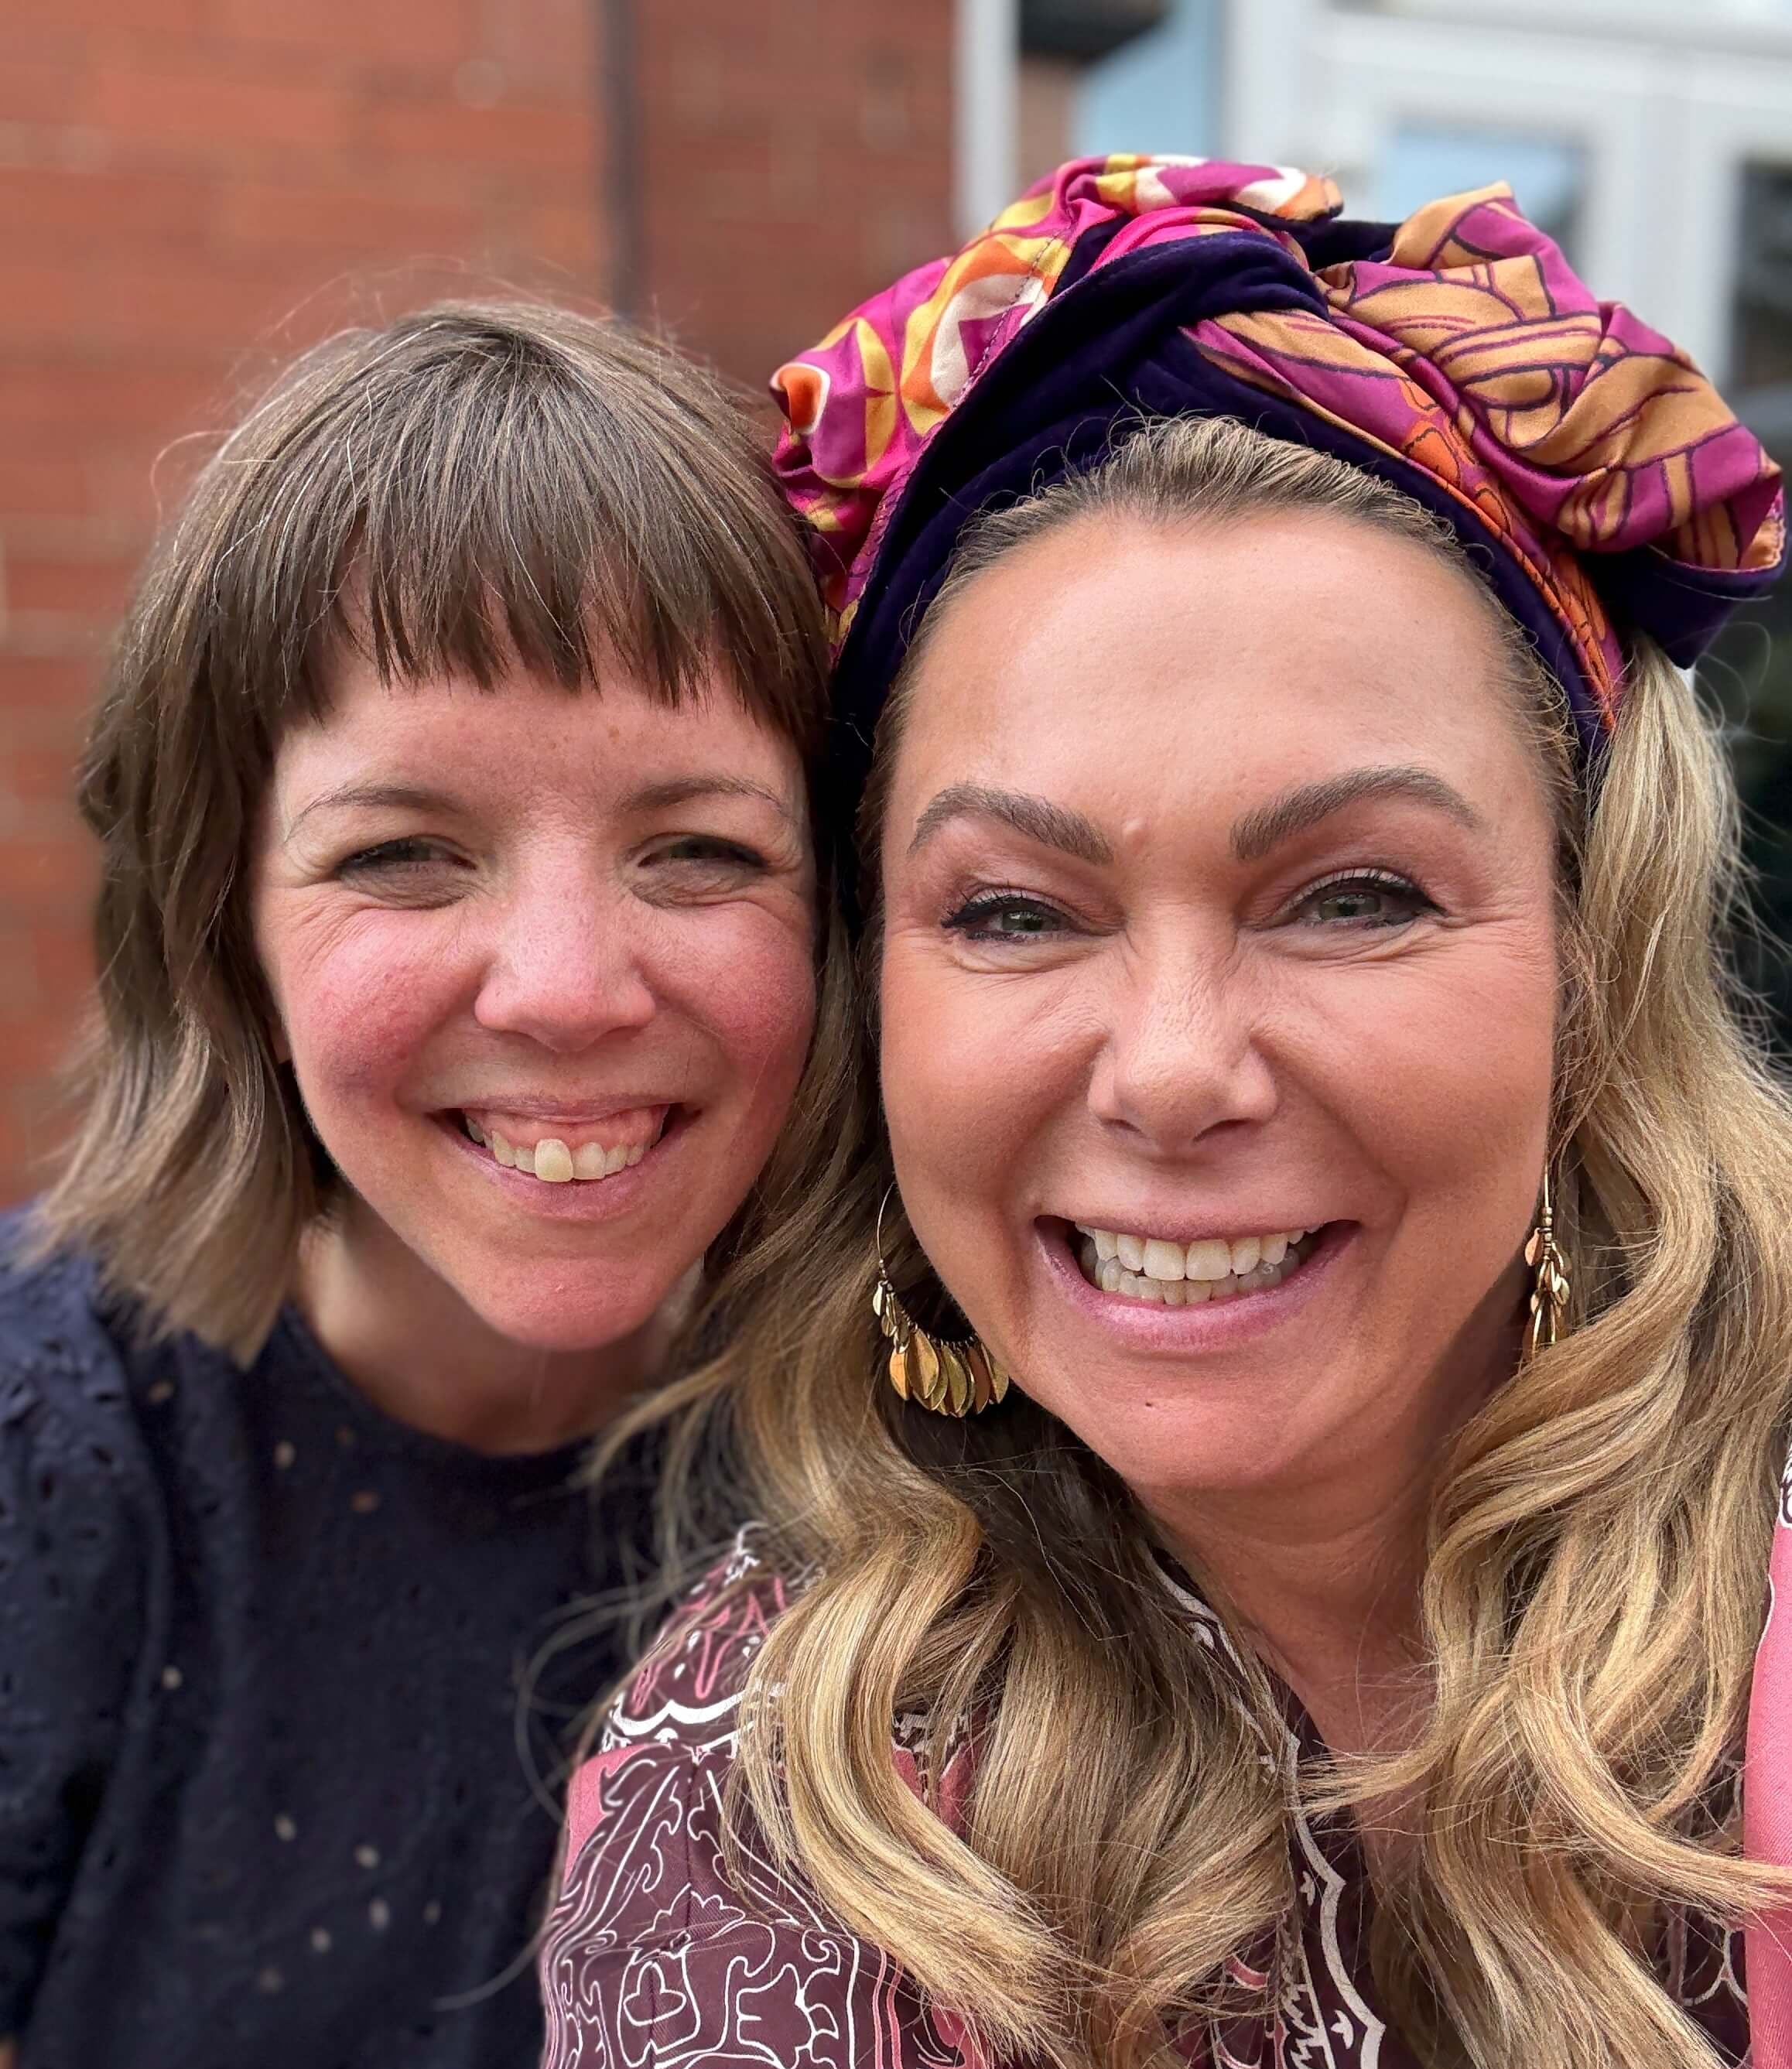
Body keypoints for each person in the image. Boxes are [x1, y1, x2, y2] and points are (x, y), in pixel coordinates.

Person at [538, 160, 1792, 2069]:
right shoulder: (744, 1817)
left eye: (1356, 893)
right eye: (1016, 911)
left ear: (1591, 962)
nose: (1176, 1067)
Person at [0, 299, 850, 2069]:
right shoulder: (48, 1442)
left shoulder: (912, 1472)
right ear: (220, 922)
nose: (561, 984)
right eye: (403, 852)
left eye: (700, 850)